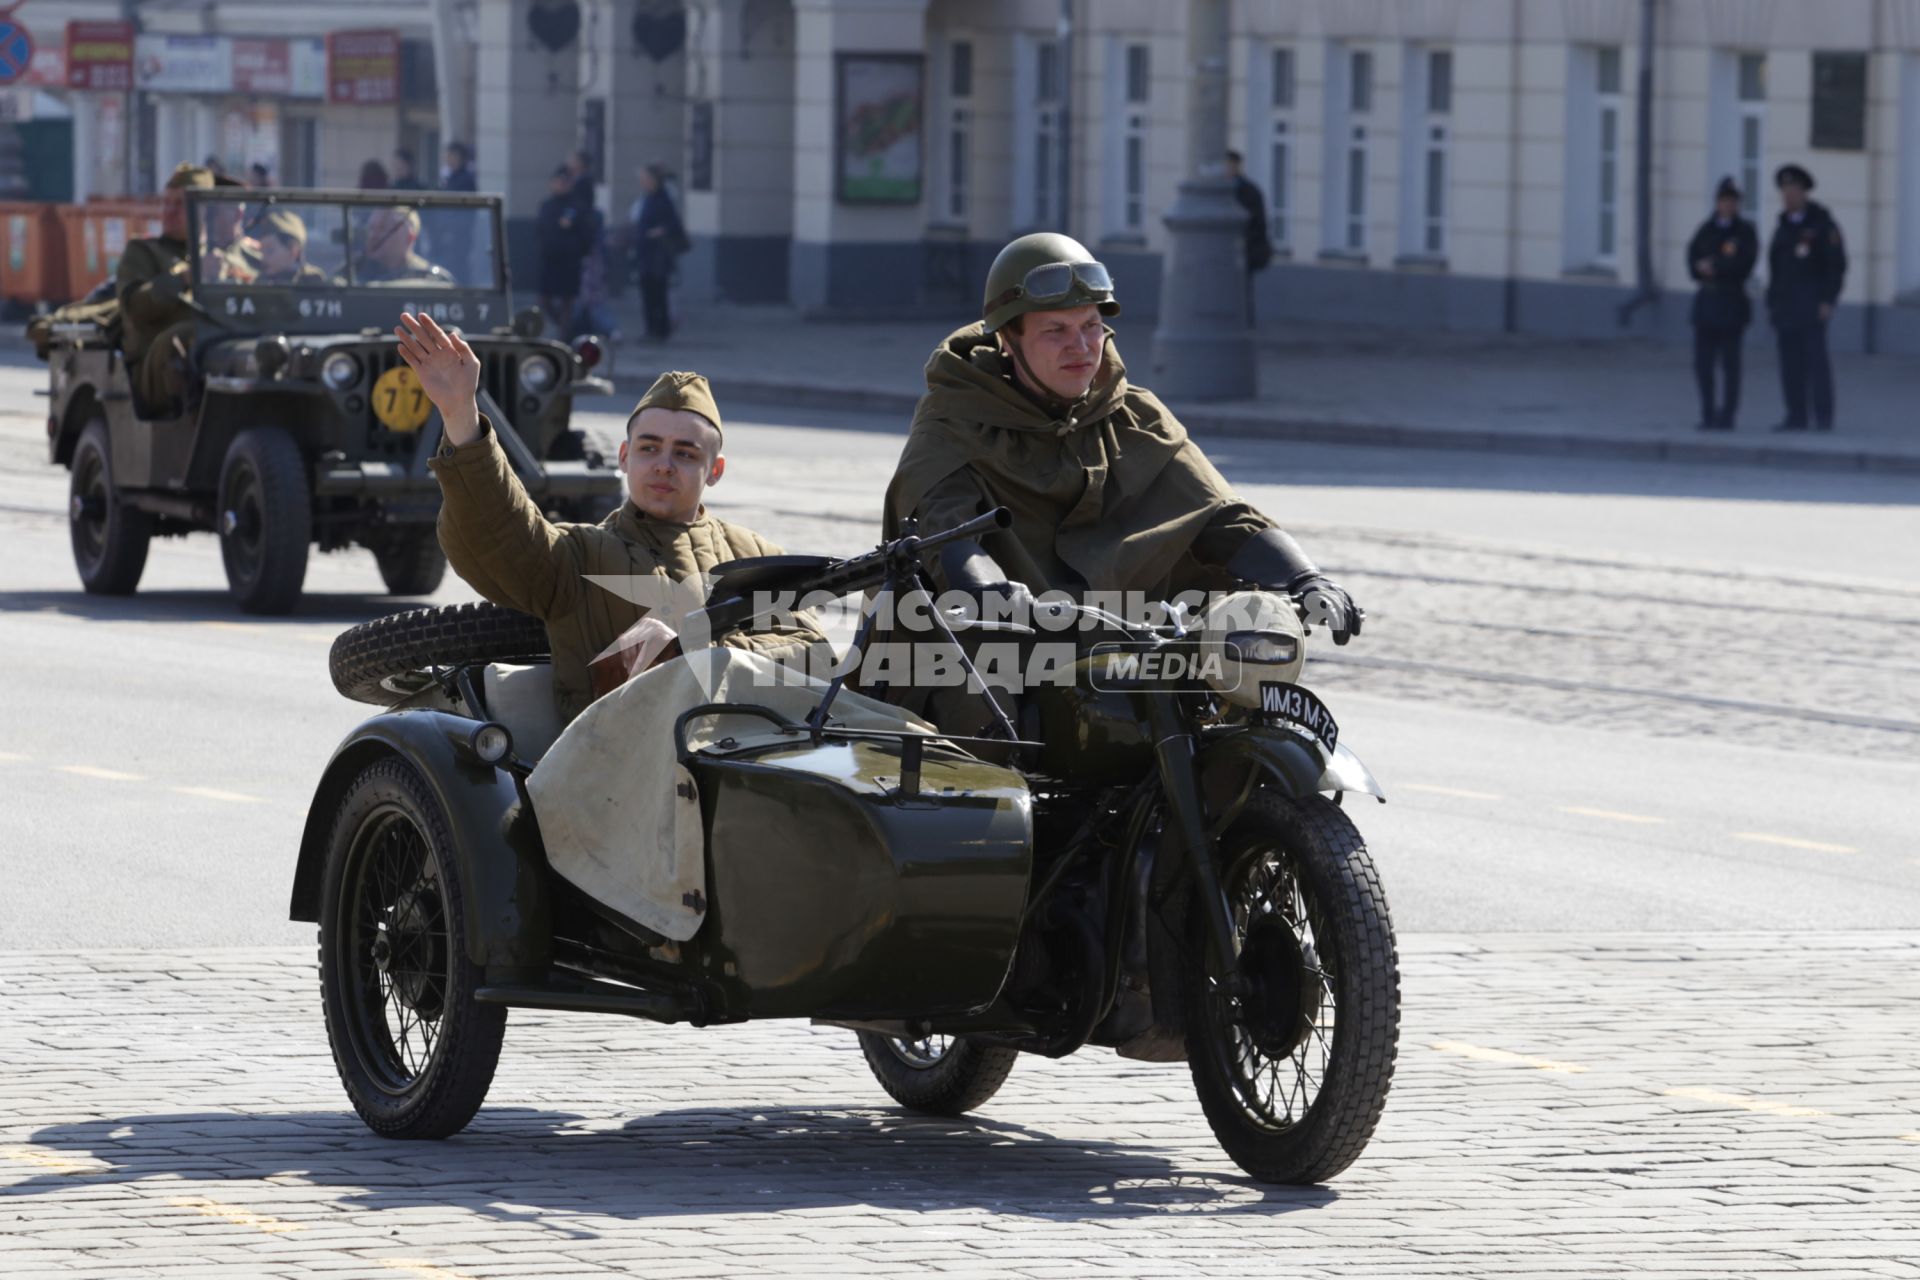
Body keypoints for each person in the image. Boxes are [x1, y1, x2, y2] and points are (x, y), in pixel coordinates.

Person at [882, 232, 1363, 730]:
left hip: (1137, 645)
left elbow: (1219, 514)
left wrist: (1305, 577)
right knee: (1000, 741)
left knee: (1245, 729)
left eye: (1091, 326)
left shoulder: (1134, 413)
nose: (1081, 346)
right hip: (1000, 653)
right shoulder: (953, 423)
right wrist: (995, 597)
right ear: (1009, 340)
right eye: (1055, 331)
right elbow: (947, 538)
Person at [397, 311, 828, 722]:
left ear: (714, 470)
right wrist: (460, 416)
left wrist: (706, 650)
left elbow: (813, 652)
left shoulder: (757, 555)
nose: (663, 464)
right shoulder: (580, 558)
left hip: (748, 755)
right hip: (620, 772)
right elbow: (499, 530)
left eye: (685, 453)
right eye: (649, 448)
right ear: (624, 457)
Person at [116, 164, 214, 414]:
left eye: (179, 205)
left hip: (216, 358)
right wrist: (182, 279)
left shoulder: (228, 255)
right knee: (186, 336)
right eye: (166, 202)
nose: (168, 211)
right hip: (157, 368)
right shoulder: (143, 251)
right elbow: (135, 308)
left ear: (205, 210)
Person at [1765, 163, 1846, 432]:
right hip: (1786, 306)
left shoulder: (1822, 225)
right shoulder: (1782, 226)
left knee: (1816, 364)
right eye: (1785, 191)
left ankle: (1823, 417)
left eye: (1793, 190)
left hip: (1812, 306)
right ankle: (1795, 415)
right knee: (1790, 365)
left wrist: (1827, 300)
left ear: (1804, 193)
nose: (1789, 196)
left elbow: (1835, 266)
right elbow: (1776, 268)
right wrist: (1773, 302)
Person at [1686, 176, 1758, 430]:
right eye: (1723, 201)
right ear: (1717, 203)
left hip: (1731, 303)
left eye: (1731, 202)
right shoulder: (1706, 230)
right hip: (1706, 303)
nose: (1727, 206)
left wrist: (1714, 267)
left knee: (1730, 365)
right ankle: (1707, 413)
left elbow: (1744, 264)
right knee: (1702, 364)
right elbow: (1692, 257)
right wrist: (1699, 268)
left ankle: (1727, 415)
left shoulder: (1744, 232)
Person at [630, 163, 684, 342]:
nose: (642, 182)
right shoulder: (648, 198)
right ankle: (651, 328)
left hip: (658, 255)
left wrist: (660, 231)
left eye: (645, 179)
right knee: (648, 293)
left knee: (658, 293)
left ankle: (660, 329)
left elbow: (674, 225)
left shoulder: (663, 200)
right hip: (645, 253)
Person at [537, 166, 592, 335]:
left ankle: (564, 330)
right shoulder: (547, 205)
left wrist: (578, 251)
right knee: (544, 299)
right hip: (550, 258)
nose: (561, 185)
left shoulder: (577, 206)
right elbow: (539, 230)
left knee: (568, 299)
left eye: (565, 182)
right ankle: (560, 322)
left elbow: (586, 233)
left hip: (570, 260)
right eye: (558, 182)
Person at [1224, 150, 1274, 320]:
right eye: (1226, 165)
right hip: (1221, 251)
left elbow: (1258, 223)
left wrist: (1243, 243)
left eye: (1230, 165)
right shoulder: (1217, 189)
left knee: (1241, 290)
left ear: (1237, 166)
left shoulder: (1250, 191)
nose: (1227, 169)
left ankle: (1243, 321)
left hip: (1243, 251)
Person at [352, 205, 454, 284]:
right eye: (371, 228)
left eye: (383, 229)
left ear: (409, 237)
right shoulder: (354, 271)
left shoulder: (432, 278)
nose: (373, 236)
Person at [251, 208, 329, 285]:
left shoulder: (313, 281)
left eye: (270, 250)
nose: (263, 257)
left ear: (293, 251)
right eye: (261, 250)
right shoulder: (261, 281)